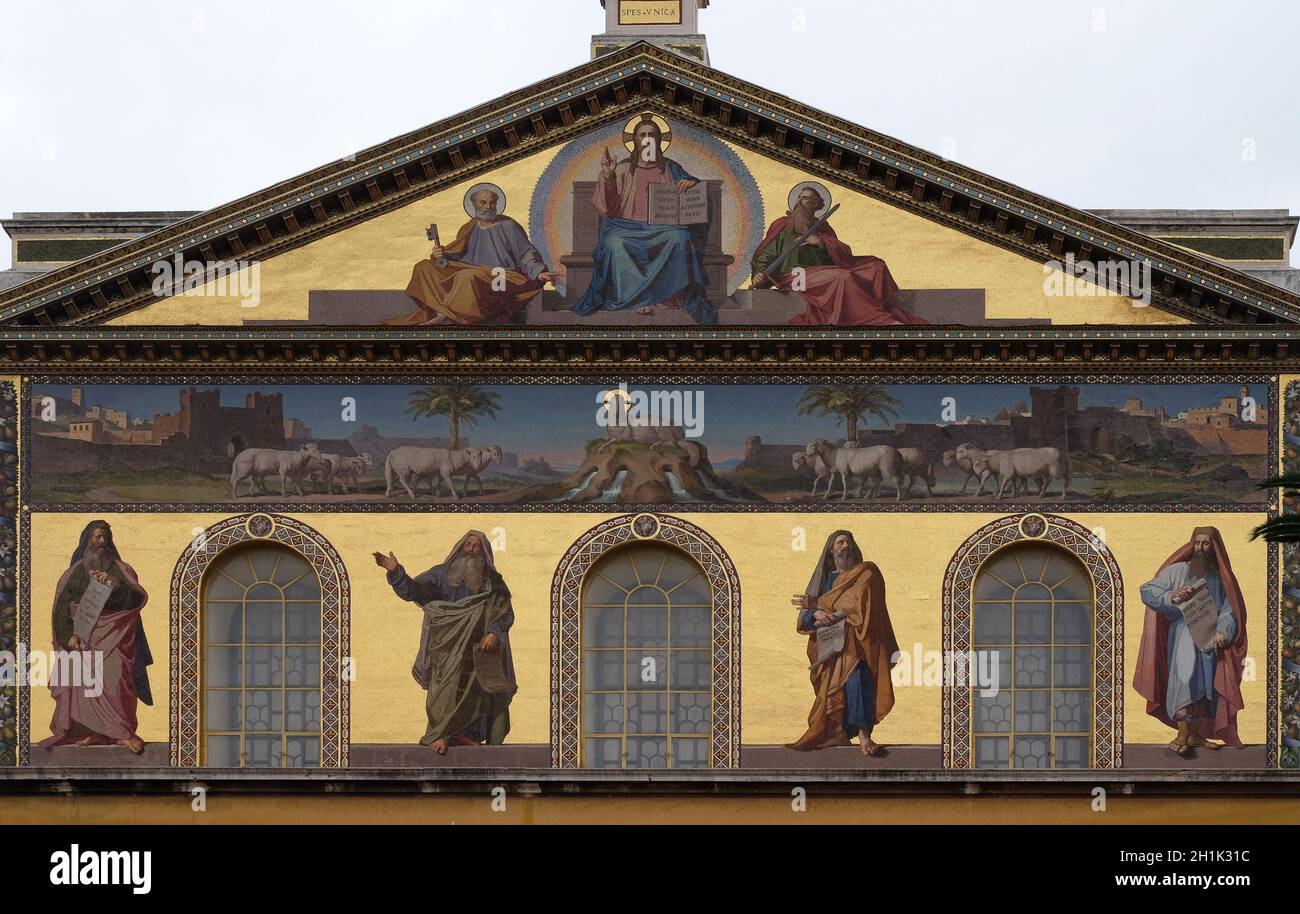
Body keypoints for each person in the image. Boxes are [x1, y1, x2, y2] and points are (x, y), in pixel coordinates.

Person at [372, 531, 517, 754]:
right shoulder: (441, 574)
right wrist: (395, 572)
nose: (471, 549)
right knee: (444, 691)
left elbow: (504, 611)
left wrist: (494, 632)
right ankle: (441, 733)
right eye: (467, 544)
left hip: (480, 650)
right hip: (447, 648)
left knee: (481, 694)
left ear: (484, 551)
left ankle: (463, 736)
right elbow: (414, 591)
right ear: (460, 548)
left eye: (476, 546)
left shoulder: (493, 581)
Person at [571, 116, 716, 324]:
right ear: (636, 141)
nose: (647, 139)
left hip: (663, 228)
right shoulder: (621, 168)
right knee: (614, 243)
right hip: (626, 227)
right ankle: (634, 300)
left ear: (658, 140)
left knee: (680, 237)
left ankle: (666, 300)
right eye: (643, 135)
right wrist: (608, 177)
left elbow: (694, 187)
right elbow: (608, 208)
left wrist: (689, 183)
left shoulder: (671, 168)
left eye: (652, 135)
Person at [40, 520, 152, 755]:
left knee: (115, 681)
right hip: (83, 639)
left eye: (105, 538)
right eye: (97, 537)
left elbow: (135, 600)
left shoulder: (122, 571)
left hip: (117, 638)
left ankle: (122, 732)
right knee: (85, 687)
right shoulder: (75, 574)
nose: (102, 542)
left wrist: (114, 584)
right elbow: (61, 608)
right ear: (87, 541)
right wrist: (67, 636)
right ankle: (96, 731)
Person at [1136, 527, 1247, 755]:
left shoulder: (1219, 578)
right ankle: (1182, 734)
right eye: (1197, 543)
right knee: (1183, 682)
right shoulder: (1177, 571)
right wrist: (1171, 596)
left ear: (1214, 548)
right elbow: (1148, 590)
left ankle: (1195, 736)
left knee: (1206, 688)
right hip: (1184, 637)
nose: (1200, 549)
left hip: (1208, 639)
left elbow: (1229, 609)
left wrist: (1223, 632)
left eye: (1206, 544)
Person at [787, 530, 900, 755]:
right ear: (831, 550)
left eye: (848, 541)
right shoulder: (825, 580)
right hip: (830, 646)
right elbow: (807, 616)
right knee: (831, 692)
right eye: (839, 542)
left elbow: (862, 605)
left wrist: (820, 604)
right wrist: (817, 613)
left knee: (858, 680)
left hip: (859, 643)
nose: (845, 545)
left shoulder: (866, 573)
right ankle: (836, 733)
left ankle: (864, 736)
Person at [751, 185, 926, 326]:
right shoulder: (782, 225)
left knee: (876, 267)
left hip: (823, 272)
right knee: (842, 276)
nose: (799, 201)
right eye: (799, 197)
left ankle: (883, 309)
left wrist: (820, 243)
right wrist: (759, 275)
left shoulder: (822, 228)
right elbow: (765, 255)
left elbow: (840, 256)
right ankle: (878, 319)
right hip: (795, 275)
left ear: (816, 204)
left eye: (805, 198)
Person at [386, 187, 561, 326]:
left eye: (492, 203)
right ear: (474, 205)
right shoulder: (468, 227)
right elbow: (456, 256)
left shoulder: (508, 226)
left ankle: (445, 316)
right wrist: (441, 254)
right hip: (471, 271)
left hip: (501, 275)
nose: (488, 207)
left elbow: (526, 254)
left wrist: (539, 273)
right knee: (423, 267)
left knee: (466, 277)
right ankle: (444, 311)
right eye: (483, 203)